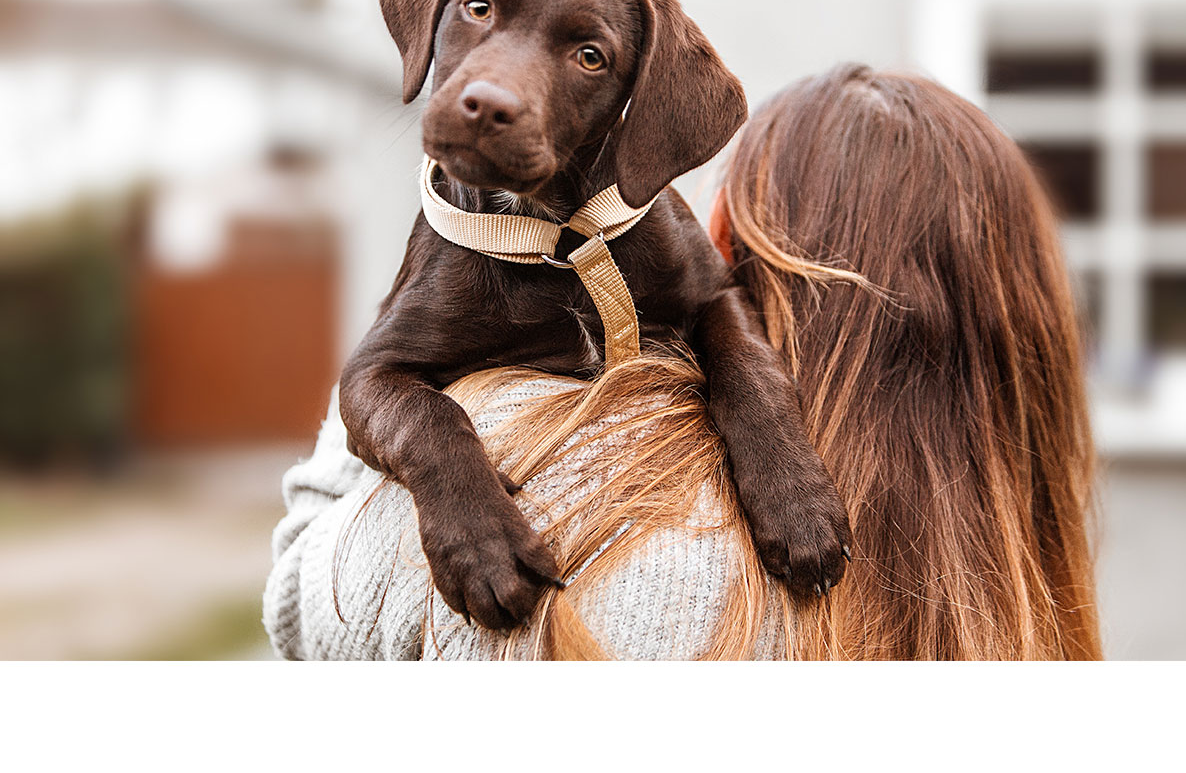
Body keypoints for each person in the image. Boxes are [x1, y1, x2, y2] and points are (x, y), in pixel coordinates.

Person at [263, 64, 1102, 660]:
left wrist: (390, 354)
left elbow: (302, 600)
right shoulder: (1017, 602)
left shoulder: (564, 480)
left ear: (734, 243)